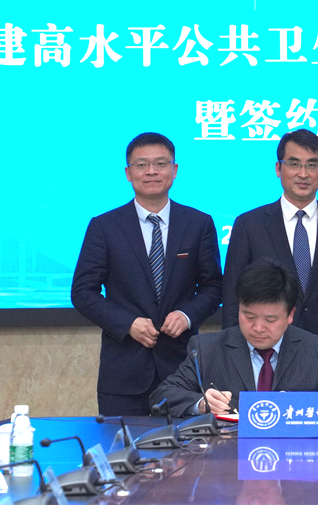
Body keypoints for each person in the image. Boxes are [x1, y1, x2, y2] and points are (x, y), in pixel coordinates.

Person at [72, 132, 223, 416]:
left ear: (174, 170)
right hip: (123, 373)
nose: (151, 171)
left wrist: (187, 315)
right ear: (128, 173)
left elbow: (213, 286)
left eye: (160, 164)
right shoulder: (104, 226)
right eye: (141, 165)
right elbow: (83, 292)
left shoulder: (198, 223)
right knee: (121, 443)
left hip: (182, 369)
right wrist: (127, 323)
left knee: (187, 444)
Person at [221, 129, 318, 405]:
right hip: (263, 357)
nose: (303, 173)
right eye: (294, 163)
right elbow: (232, 298)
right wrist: (232, 361)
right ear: (278, 169)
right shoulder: (249, 225)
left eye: (312, 164)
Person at [152, 258, 318, 417]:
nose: (258, 328)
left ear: (290, 315)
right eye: (249, 317)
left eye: (270, 319)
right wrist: (201, 403)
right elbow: (161, 397)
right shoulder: (207, 349)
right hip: (226, 448)